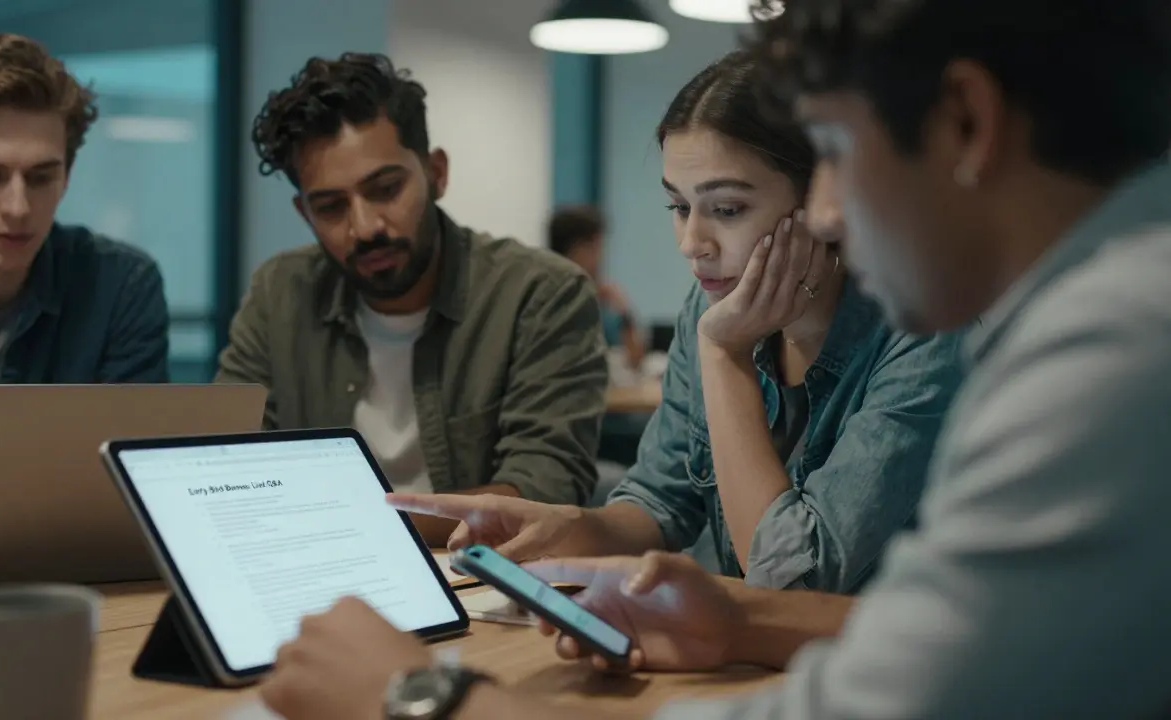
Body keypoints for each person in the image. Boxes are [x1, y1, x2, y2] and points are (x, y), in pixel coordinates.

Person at [257, 0, 1171, 718]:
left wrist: (420, 696)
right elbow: (951, 642)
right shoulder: (1134, 305)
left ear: (964, 120)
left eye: (834, 149)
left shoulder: (1121, 355)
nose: (826, 212)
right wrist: (742, 618)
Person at [393, 51, 965, 591]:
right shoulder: (712, 309)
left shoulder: (925, 332)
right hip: (742, 642)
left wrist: (724, 355)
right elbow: (660, 502)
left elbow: (796, 580)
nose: (692, 243)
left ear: (823, 198)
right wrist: (566, 526)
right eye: (679, 206)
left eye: (727, 209)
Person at [215, 53, 609, 545]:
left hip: (478, 574)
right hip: (311, 567)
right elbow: (226, 464)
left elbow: (542, 491)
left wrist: (342, 526)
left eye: (385, 189)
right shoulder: (280, 292)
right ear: (304, 213)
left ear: (436, 173)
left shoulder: (540, 293)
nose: (365, 228)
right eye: (331, 207)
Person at [0, 33, 169, 384]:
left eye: (40, 178)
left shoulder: (119, 287)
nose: (18, 208)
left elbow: (134, 422)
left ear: (67, 176)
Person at [548, 205, 647, 370]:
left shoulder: (602, 300)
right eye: (595, 248)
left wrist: (624, 312)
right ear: (575, 250)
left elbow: (636, 359)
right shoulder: (551, 301)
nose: (600, 257)